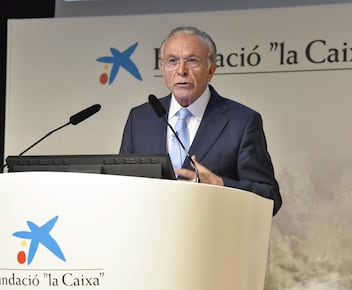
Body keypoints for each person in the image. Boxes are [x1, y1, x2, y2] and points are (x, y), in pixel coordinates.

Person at [120, 26, 282, 216]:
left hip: (213, 239)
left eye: (192, 61)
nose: (181, 70)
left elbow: (270, 198)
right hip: (150, 238)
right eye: (172, 61)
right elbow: (121, 184)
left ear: (211, 69)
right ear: (163, 69)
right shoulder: (140, 118)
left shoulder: (242, 122)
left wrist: (220, 185)